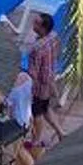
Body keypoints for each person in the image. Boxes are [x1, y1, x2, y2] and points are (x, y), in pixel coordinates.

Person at [24, 10, 62, 150]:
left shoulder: (36, 48)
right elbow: (56, 54)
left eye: (36, 23)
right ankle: (61, 132)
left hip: (40, 85)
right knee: (45, 108)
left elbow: (33, 72)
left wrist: (28, 89)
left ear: (43, 28)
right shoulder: (54, 36)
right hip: (50, 77)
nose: (33, 24)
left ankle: (36, 142)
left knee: (37, 113)